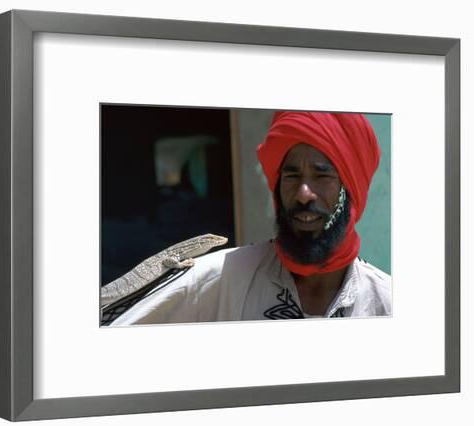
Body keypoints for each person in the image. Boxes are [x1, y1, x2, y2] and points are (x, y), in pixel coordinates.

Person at [107, 111, 391, 325]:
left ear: (350, 189)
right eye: (291, 175)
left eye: (322, 175)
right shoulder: (217, 277)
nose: (304, 194)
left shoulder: (387, 301)